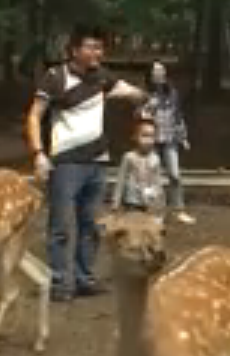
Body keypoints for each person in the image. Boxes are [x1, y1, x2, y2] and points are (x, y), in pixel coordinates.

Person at [25, 26, 147, 302]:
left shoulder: (102, 77)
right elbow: (34, 115)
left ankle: (83, 277)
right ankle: (59, 282)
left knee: (90, 224)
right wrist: (38, 153)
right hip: (66, 162)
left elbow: (127, 91)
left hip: (97, 161)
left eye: (100, 48)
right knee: (61, 225)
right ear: (74, 50)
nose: (97, 53)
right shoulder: (55, 77)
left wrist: (142, 96)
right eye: (91, 47)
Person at [140, 61, 195, 224]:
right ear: (150, 75)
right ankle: (155, 212)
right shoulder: (144, 94)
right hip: (151, 141)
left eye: (162, 71)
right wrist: (148, 108)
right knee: (152, 177)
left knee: (175, 175)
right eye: (156, 71)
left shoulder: (172, 92)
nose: (160, 74)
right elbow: (138, 115)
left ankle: (179, 210)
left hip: (170, 139)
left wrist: (183, 137)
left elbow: (178, 116)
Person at [112, 119, 168, 214]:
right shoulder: (129, 157)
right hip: (132, 201)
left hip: (149, 200)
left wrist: (161, 201)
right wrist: (115, 202)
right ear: (135, 137)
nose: (148, 140)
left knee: (149, 226)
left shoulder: (155, 159)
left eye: (152, 137)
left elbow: (158, 181)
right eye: (144, 136)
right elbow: (120, 181)